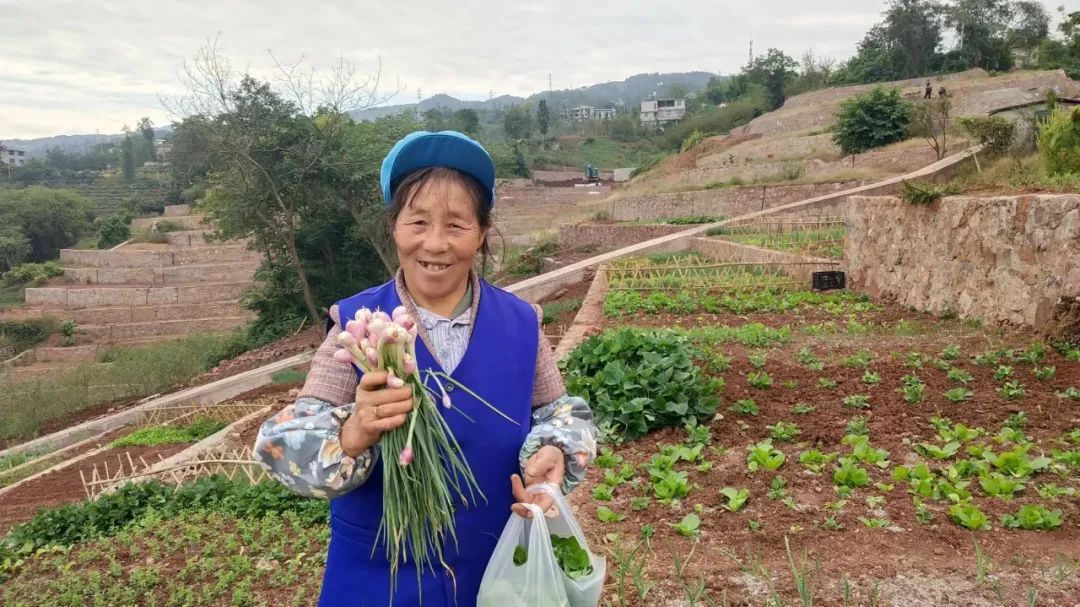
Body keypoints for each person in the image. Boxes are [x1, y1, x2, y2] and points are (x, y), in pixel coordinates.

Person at [253, 130, 599, 607]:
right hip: (379, 581)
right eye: (417, 222)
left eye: (456, 225)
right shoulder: (356, 328)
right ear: (393, 227)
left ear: (481, 233)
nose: (435, 244)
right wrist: (354, 431)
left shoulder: (522, 324)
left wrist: (552, 455)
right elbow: (285, 444)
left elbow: (558, 414)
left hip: (498, 575)